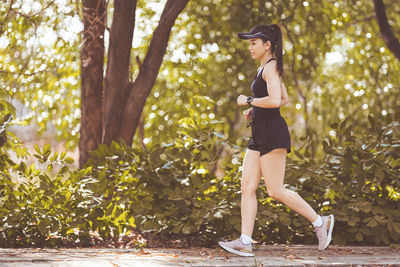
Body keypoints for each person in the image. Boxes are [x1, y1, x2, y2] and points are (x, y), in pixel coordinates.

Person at [218, 24, 334, 257]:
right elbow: (283, 98)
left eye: (254, 43)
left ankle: (321, 222)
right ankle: (245, 241)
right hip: (259, 131)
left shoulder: (271, 67)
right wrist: (255, 110)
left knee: (275, 190)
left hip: (272, 132)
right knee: (247, 186)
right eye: (249, 43)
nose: (250, 47)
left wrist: (249, 100)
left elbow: (274, 100)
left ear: (267, 44)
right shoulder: (265, 68)